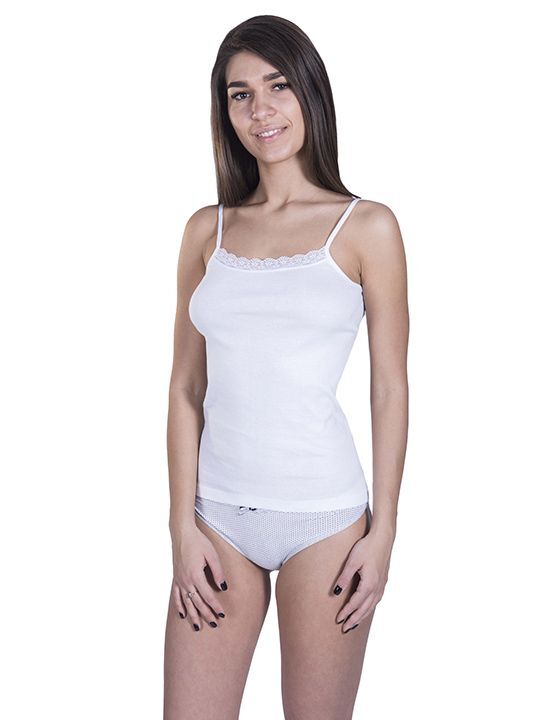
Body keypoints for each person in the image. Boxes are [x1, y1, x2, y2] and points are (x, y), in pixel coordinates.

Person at [163, 15, 409, 720]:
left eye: (277, 86)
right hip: (216, 521)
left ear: (309, 93)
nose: (260, 110)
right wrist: (181, 525)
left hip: (326, 521)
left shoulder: (367, 226)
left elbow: (389, 388)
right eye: (239, 94)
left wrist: (384, 533)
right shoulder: (206, 230)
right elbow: (185, 388)